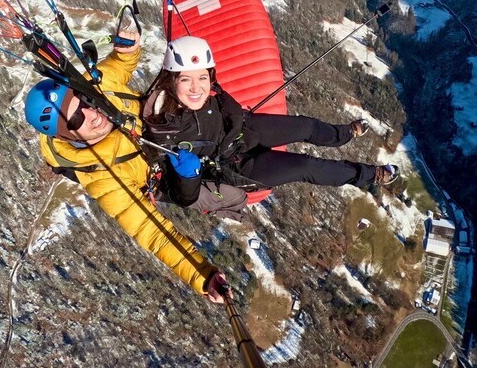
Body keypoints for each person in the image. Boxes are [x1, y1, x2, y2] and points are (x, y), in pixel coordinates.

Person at [23, 30, 230, 303]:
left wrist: (127, 49)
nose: (91, 114)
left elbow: (119, 65)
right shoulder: (104, 179)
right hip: (167, 173)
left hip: (167, 130)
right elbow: (151, 231)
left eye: (85, 101)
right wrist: (202, 275)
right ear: (66, 136)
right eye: (74, 120)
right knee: (236, 186)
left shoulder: (98, 86)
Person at [142, 36, 402, 206]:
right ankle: (369, 175)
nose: (196, 88)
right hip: (237, 165)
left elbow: (220, 105)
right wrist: (189, 175)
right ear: (171, 79)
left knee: (305, 126)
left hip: (243, 129)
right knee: (306, 166)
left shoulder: (206, 92)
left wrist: (238, 119)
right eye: (185, 79)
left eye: (202, 78)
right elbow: (183, 197)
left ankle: (344, 134)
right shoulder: (164, 130)